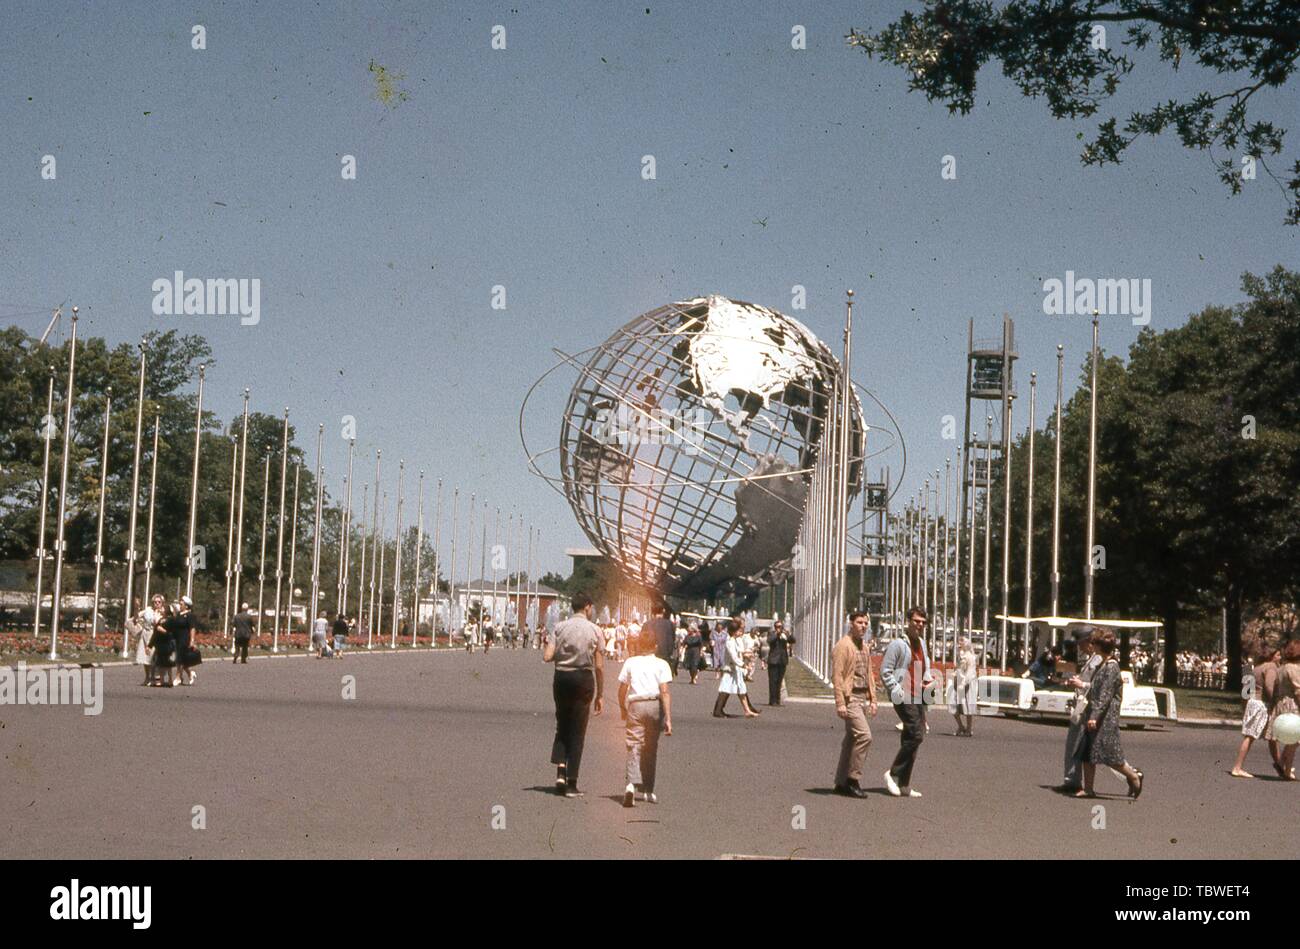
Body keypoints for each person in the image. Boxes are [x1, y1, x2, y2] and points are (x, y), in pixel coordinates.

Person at [543, 593, 605, 797]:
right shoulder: (595, 630)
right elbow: (599, 666)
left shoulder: (559, 627)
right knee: (578, 730)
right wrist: (601, 694)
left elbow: (547, 656)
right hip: (583, 678)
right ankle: (571, 782)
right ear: (587, 607)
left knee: (562, 724)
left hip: (562, 678)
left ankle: (560, 771)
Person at [1076, 630, 1144, 799]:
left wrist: (1094, 717)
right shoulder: (1104, 664)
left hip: (1105, 719)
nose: (1091, 646)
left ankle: (1134, 776)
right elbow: (1096, 688)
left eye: (1094, 643)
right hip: (1095, 714)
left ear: (1099, 646)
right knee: (1087, 753)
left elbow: (1104, 696)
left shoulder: (1112, 667)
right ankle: (1089, 789)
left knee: (1111, 756)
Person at [879, 606, 932, 798]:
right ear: (908, 621)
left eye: (923, 622)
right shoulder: (898, 645)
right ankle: (892, 773)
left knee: (914, 737)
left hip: (918, 695)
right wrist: (897, 690)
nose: (920, 625)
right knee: (916, 734)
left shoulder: (922, 644)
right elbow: (885, 671)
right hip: (903, 695)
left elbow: (925, 667)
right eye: (916, 621)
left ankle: (904, 783)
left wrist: (927, 682)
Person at [617, 629, 673, 807]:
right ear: (655, 646)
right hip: (654, 704)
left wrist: (623, 709)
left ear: (639, 644)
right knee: (651, 747)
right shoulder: (662, 664)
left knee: (634, 745)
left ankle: (631, 785)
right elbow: (665, 691)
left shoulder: (630, 662)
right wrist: (668, 718)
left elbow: (622, 690)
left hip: (636, 704)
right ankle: (648, 790)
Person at [831, 611, 877, 797]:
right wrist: (840, 703)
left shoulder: (864, 647)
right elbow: (837, 676)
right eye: (859, 622)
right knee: (865, 736)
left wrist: (873, 699)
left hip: (861, 698)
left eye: (866, 623)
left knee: (851, 740)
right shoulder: (843, 646)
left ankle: (841, 782)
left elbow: (869, 675)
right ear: (851, 623)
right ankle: (853, 779)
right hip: (850, 699)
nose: (863, 626)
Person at [1059, 627, 1102, 790]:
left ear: (1089, 643)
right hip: (1081, 705)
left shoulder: (1097, 660)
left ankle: (1073, 781)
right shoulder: (1091, 659)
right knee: (1073, 743)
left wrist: (1081, 684)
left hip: (1087, 708)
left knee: (1079, 744)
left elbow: (1098, 685)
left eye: (1081, 644)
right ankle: (1071, 779)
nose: (1080, 647)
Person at [1232, 643, 1281, 778]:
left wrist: (1244, 705)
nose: (1280, 657)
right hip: (1262, 704)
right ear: (1272, 656)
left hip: (1253, 702)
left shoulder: (1256, 668)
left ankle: (1280, 765)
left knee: (1272, 736)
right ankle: (1237, 767)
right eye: (1278, 654)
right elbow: (1269, 687)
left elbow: (1246, 688)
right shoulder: (1271, 667)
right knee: (1251, 736)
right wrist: (1276, 702)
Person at [1263, 640, 1300, 780]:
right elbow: (1298, 690)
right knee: (1294, 738)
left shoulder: (1282, 668)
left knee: (1292, 738)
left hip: (1281, 703)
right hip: (1292, 705)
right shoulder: (1294, 669)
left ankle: (1282, 764)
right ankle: (1286, 769)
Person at [712, 618, 760, 718]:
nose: (741, 632)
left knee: (741, 689)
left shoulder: (735, 640)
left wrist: (747, 654)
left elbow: (739, 651)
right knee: (725, 690)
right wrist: (744, 665)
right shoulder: (729, 641)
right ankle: (717, 710)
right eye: (739, 631)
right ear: (734, 631)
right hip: (730, 669)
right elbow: (734, 657)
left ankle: (747, 710)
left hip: (735, 669)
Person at [950, 635, 977, 736]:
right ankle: (961, 726)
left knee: (968, 706)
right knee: (953, 705)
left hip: (967, 684)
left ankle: (969, 729)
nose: (959, 643)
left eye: (961, 642)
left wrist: (964, 682)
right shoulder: (961, 655)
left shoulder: (970, 657)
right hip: (958, 682)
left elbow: (971, 672)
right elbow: (959, 668)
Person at [643, 601, 677, 678]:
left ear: (652, 612)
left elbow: (642, 639)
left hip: (649, 653)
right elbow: (673, 639)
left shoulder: (647, 624)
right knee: (662, 679)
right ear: (663, 611)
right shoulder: (670, 624)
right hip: (664, 654)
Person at [766, 620, 795, 706]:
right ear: (775, 627)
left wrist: (788, 634)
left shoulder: (784, 635)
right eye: (777, 627)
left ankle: (778, 700)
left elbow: (792, 640)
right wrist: (777, 634)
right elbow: (770, 641)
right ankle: (772, 700)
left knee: (779, 681)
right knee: (773, 681)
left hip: (782, 661)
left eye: (780, 627)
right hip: (773, 661)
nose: (779, 628)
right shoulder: (772, 633)